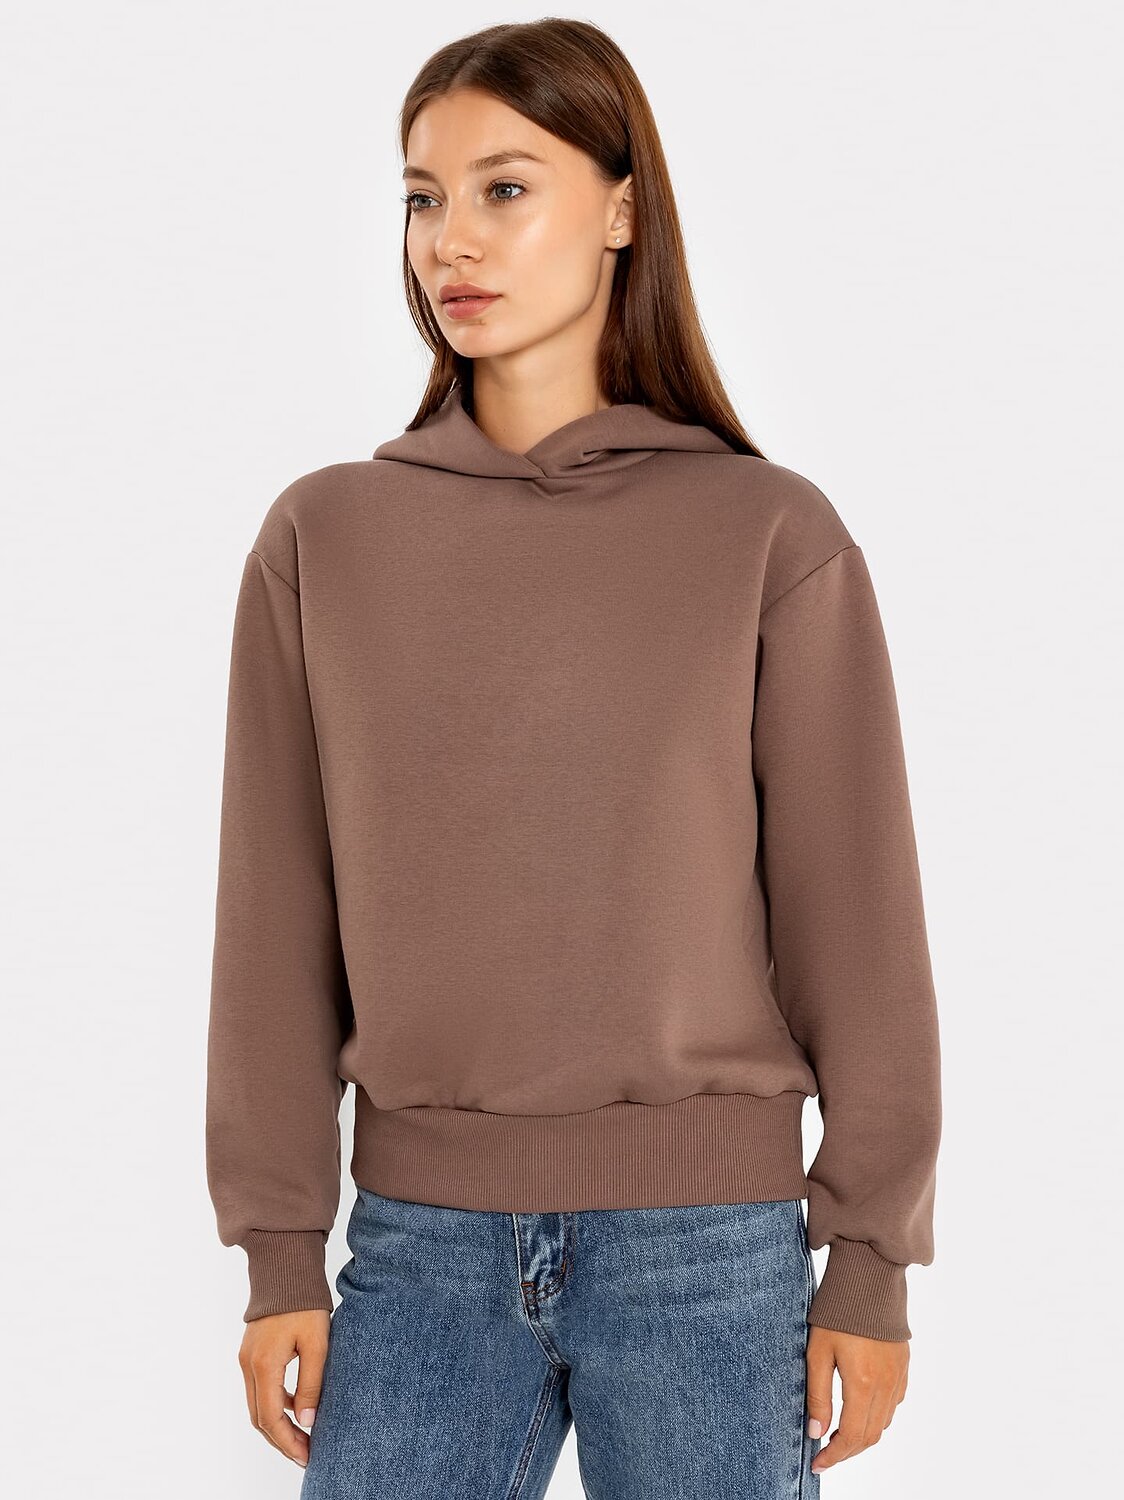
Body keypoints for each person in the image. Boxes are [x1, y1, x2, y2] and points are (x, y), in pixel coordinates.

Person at [205, 18, 942, 1499]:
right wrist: (279, 1245)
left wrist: (868, 1257)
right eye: (423, 197)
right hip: (417, 1251)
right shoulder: (324, 538)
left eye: (505, 188)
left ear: (620, 210)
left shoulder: (767, 535)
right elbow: (274, 920)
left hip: (710, 1258)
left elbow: (854, 921)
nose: (451, 241)